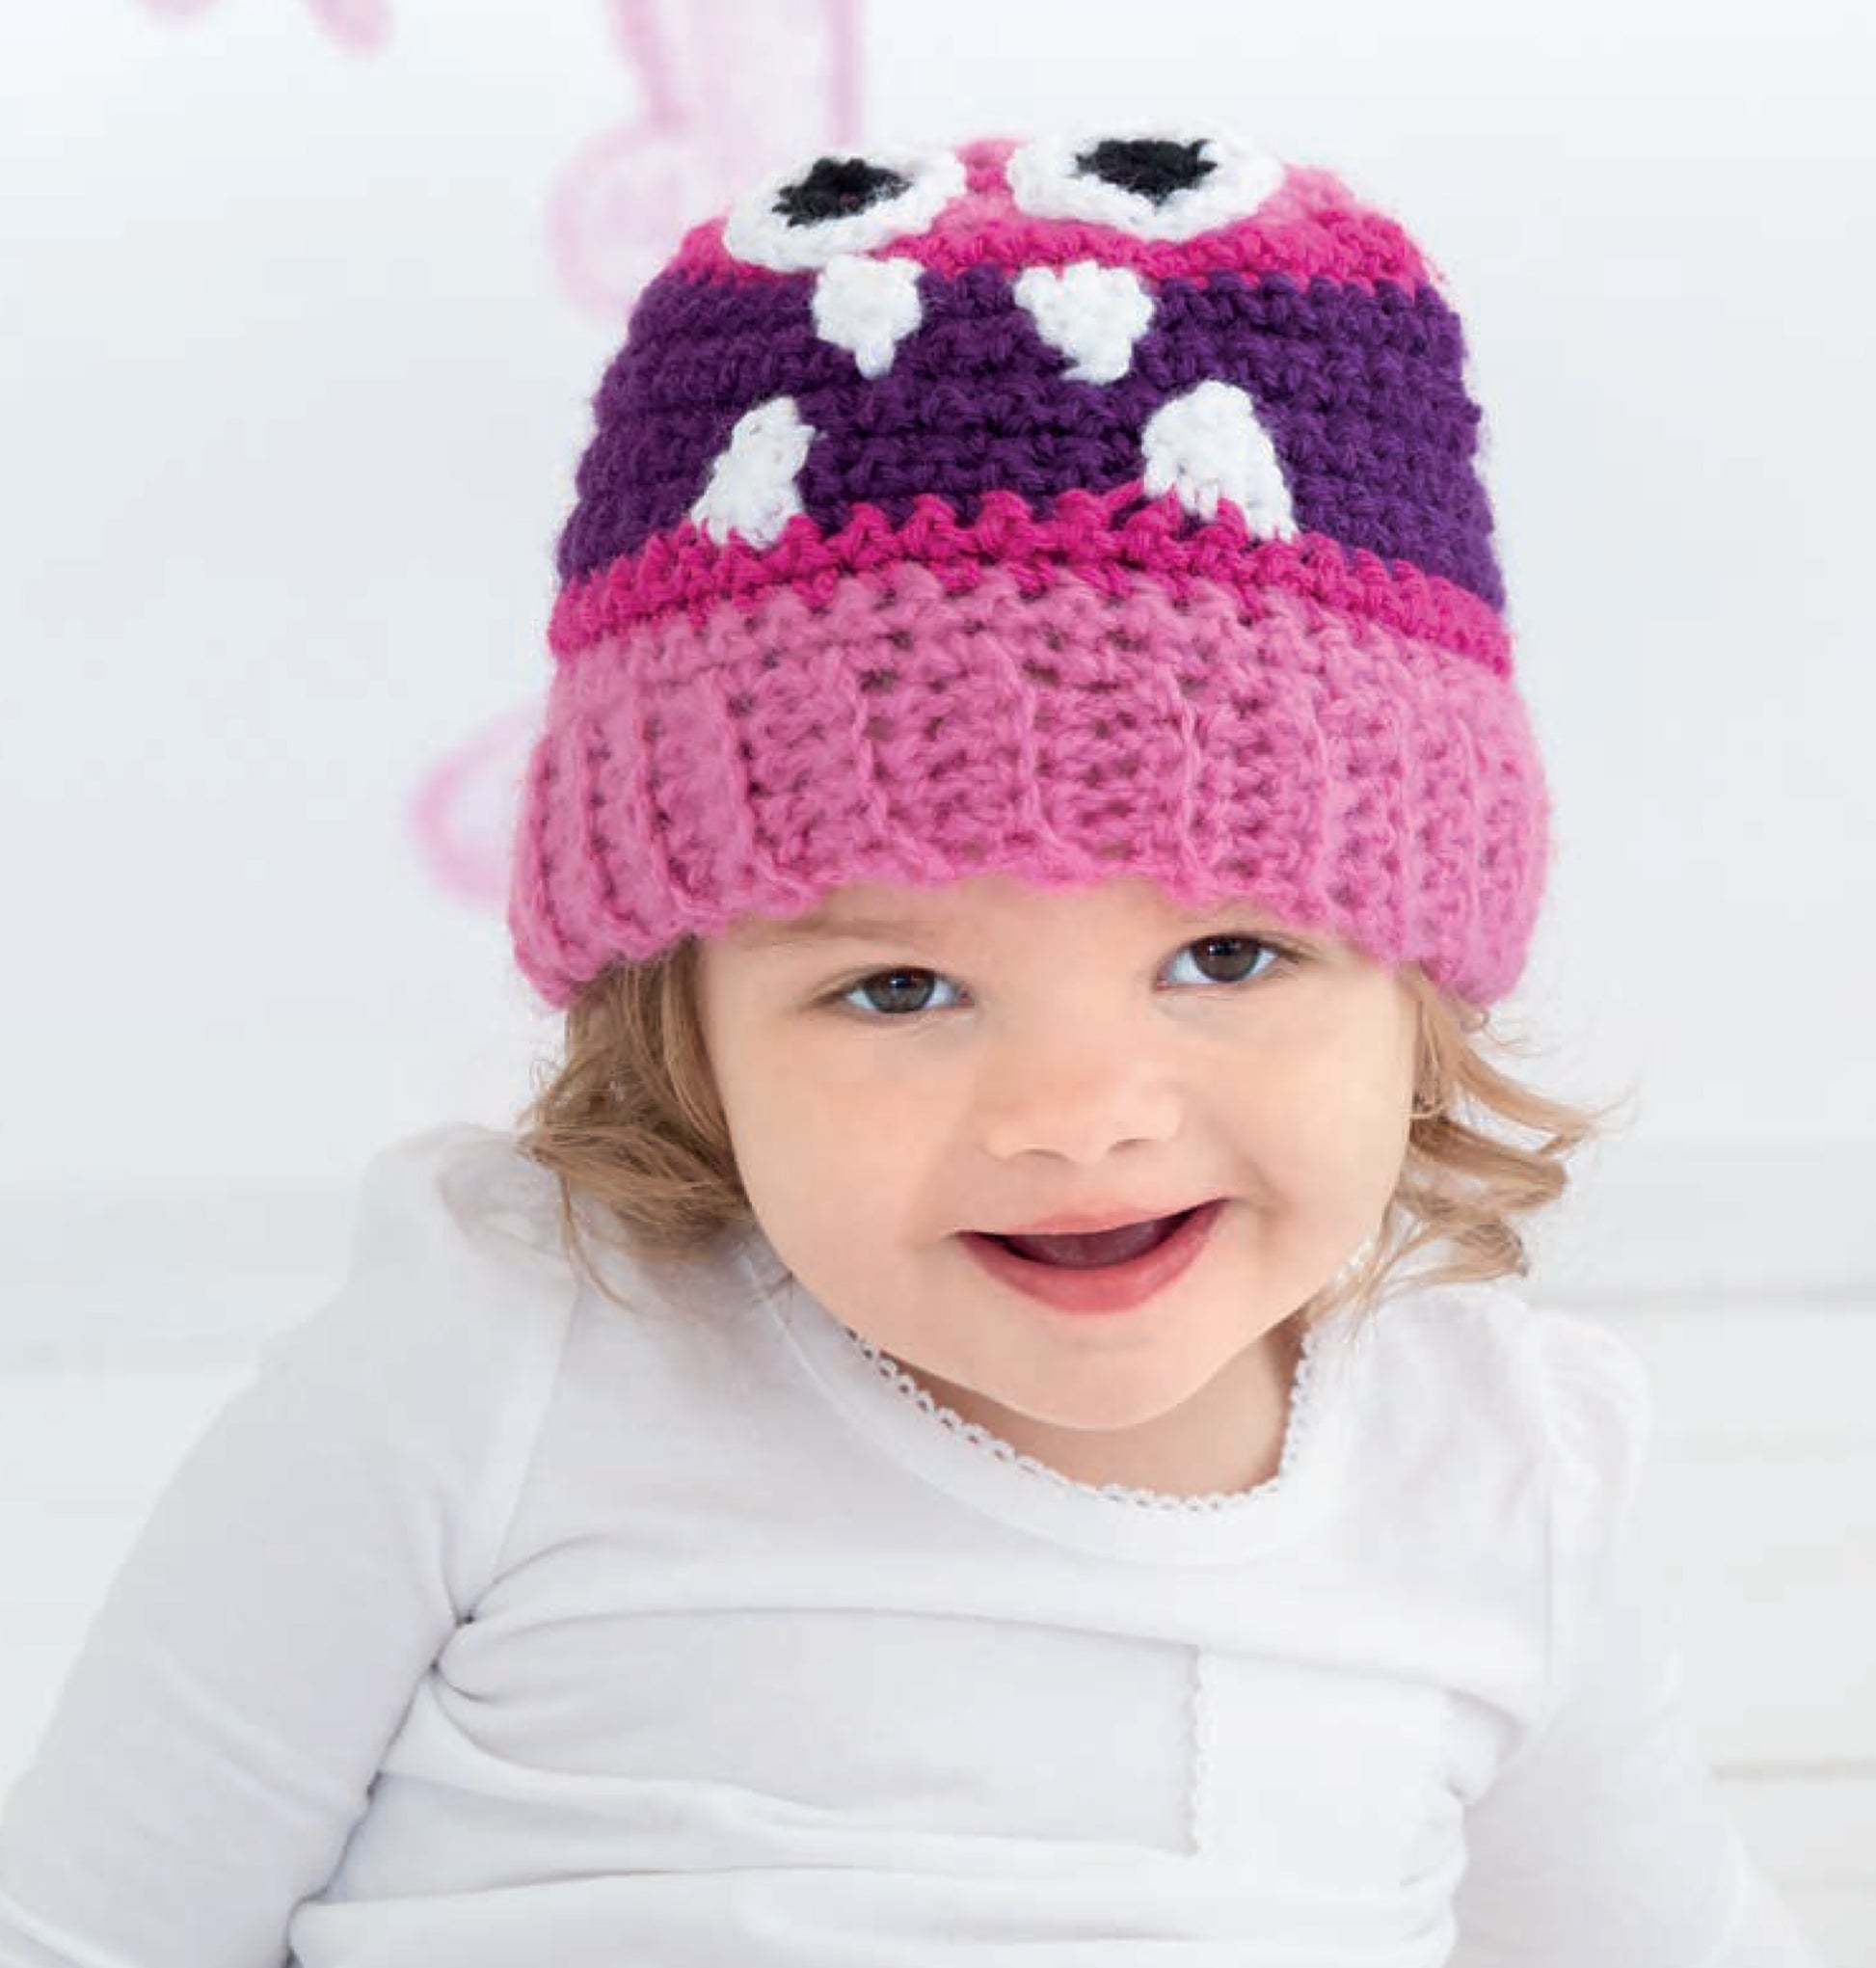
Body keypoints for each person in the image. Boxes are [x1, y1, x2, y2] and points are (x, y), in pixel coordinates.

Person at [0, 131, 1823, 1966]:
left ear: (1420, 980)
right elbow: (86, 1923)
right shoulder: (503, 1366)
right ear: (679, 1023)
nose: (1076, 1118)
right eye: (897, 989)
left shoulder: (1493, 1477)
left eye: (1225, 954)